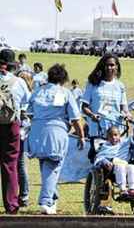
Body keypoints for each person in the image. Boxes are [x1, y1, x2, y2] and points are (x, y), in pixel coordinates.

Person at [26, 64, 85, 215]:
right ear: (64, 79)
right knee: (53, 166)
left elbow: (29, 113)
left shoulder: (38, 91)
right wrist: (81, 136)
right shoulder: (65, 93)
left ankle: (53, 197)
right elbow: (75, 119)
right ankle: (46, 201)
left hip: (37, 133)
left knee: (45, 166)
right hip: (56, 133)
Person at [0, 49, 31, 214]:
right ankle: (11, 205)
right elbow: (27, 100)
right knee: (10, 165)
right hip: (12, 125)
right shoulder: (19, 82)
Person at [81, 54, 132, 142]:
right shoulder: (93, 84)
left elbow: (124, 108)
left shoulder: (120, 86)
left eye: (112, 65)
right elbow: (84, 107)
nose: (109, 68)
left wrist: (127, 114)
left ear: (117, 67)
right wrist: (92, 115)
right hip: (97, 131)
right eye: (106, 65)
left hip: (115, 134)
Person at [94, 126, 134, 198]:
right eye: (110, 136)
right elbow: (99, 157)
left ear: (119, 135)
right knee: (119, 166)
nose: (113, 138)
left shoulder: (124, 143)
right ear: (107, 137)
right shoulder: (105, 146)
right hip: (112, 168)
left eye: (115, 135)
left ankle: (132, 189)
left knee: (132, 167)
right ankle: (123, 189)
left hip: (125, 164)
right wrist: (105, 161)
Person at [17, 71, 34, 207]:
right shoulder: (32, 96)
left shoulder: (22, 95)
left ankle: (23, 194)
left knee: (20, 165)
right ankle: (24, 195)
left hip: (19, 130)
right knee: (21, 165)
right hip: (25, 133)